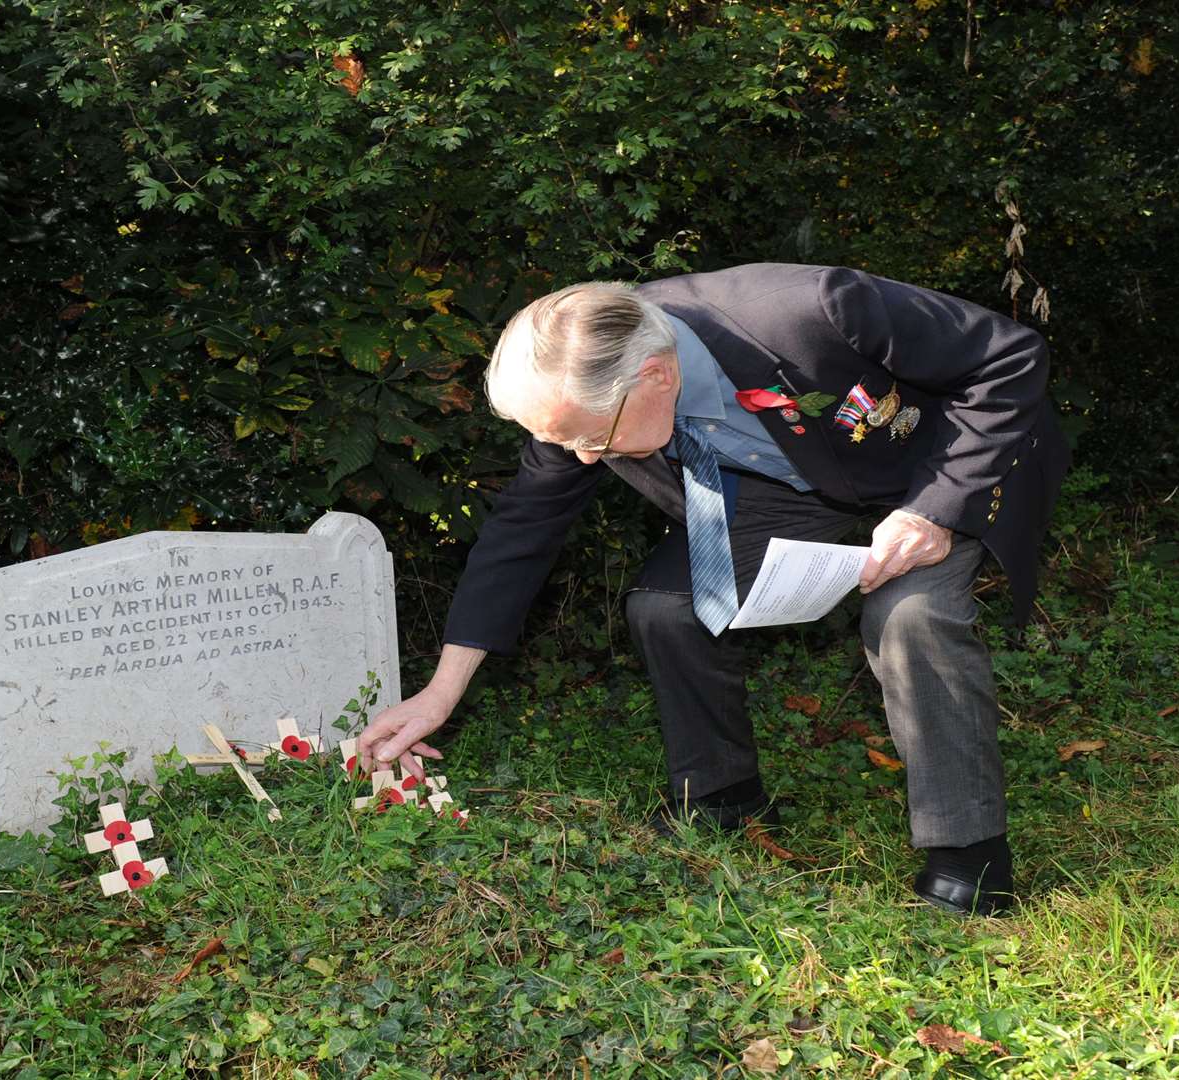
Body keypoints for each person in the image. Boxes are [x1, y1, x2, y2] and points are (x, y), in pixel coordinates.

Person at [355, 263, 1069, 916]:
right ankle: (721, 796)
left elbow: (1009, 356)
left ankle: (967, 855)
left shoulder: (813, 310)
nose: (581, 459)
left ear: (657, 377)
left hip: (935, 466)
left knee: (910, 617)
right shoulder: (583, 396)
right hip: (788, 489)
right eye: (565, 442)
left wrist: (934, 508)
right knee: (665, 607)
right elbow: (520, 532)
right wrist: (441, 692)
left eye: (592, 442)